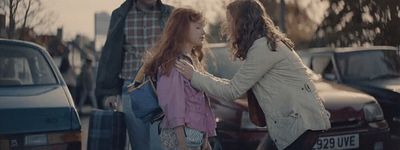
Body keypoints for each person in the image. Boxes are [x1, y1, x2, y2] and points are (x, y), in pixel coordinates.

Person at [175, 0, 331, 150]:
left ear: (242, 22)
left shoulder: (263, 47)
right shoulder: (266, 44)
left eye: (230, 21)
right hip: (295, 123)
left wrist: (194, 76)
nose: (227, 27)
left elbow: (233, 90)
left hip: (300, 124)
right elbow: (236, 86)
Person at [95, 0, 173, 149]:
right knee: (139, 145)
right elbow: (110, 55)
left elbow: (181, 49)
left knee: (162, 144)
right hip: (131, 88)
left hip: (162, 87)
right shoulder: (120, 15)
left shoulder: (170, 14)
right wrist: (109, 92)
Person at [143, 8, 215, 150]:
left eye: (203, 27)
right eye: (198, 27)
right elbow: (173, 104)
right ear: (182, 30)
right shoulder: (174, 63)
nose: (203, 32)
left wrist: (205, 138)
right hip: (182, 135)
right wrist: (181, 142)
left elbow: (201, 103)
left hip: (193, 135)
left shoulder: (192, 60)